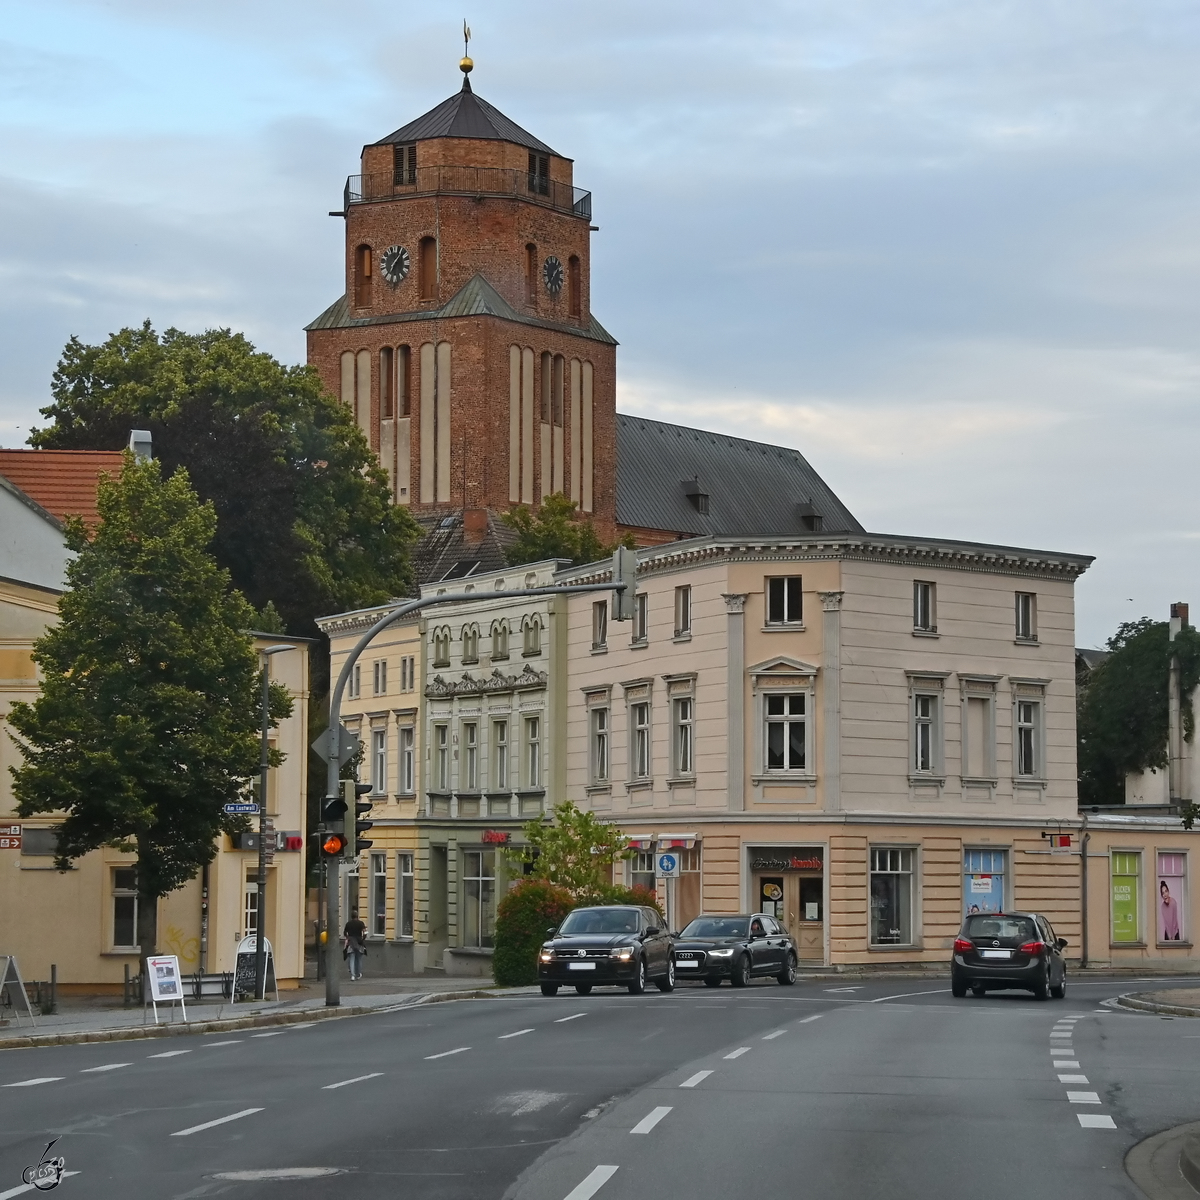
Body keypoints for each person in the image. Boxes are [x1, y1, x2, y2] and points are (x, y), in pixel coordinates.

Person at [343, 910, 367, 980]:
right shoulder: (361, 923)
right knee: (359, 959)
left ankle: (352, 975)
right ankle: (358, 973)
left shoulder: (348, 924)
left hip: (351, 942)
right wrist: (363, 939)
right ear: (357, 916)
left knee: (351, 959)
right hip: (359, 942)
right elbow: (365, 932)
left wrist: (347, 937)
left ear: (351, 916)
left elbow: (345, 932)